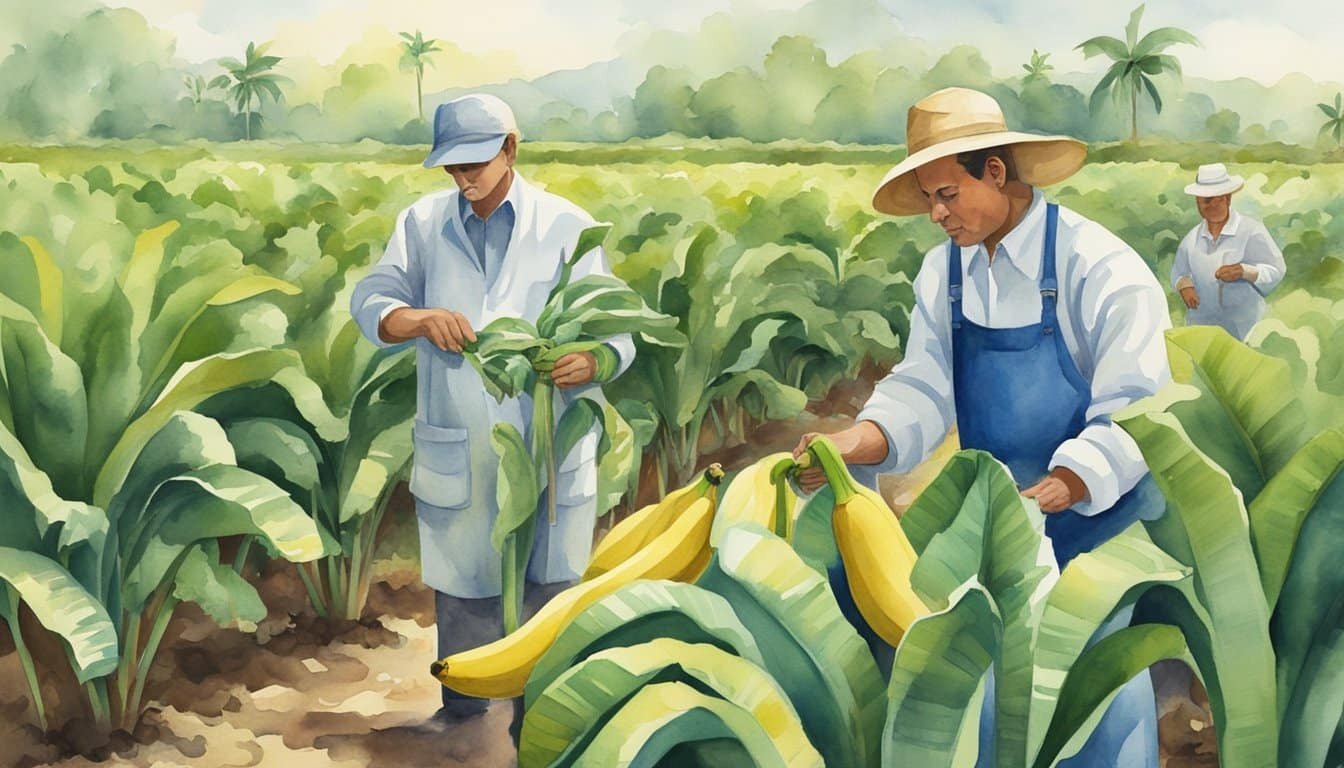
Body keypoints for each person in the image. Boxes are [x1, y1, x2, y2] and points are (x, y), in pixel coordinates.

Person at [792, 87, 1170, 767]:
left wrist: (1050, 494)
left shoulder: (1100, 269)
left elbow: (1136, 414)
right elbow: (923, 387)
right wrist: (857, 444)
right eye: (929, 199)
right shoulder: (947, 272)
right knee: (993, 709)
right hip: (1004, 533)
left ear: (995, 173)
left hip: (1095, 531)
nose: (937, 215)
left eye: (945, 194)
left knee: (1093, 708)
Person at [350, 93, 634, 724]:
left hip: (549, 440)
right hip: (463, 438)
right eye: (453, 168)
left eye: (476, 162)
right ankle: (463, 716)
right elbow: (373, 298)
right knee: (465, 588)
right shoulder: (422, 225)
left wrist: (594, 361)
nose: (465, 178)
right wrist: (415, 319)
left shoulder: (567, 226)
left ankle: (549, 717)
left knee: (550, 586)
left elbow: (619, 331)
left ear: (510, 148)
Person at [1172, 162, 1285, 340]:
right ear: (1198, 203)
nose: (1213, 206)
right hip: (1202, 325)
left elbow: (1276, 270)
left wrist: (1244, 271)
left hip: (1244, 327)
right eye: (1206, 201)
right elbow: (1179, 272)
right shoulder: (1191, 239)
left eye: (1219, 199)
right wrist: (1185, 286)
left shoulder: (1251, 231)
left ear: (1228, 198)